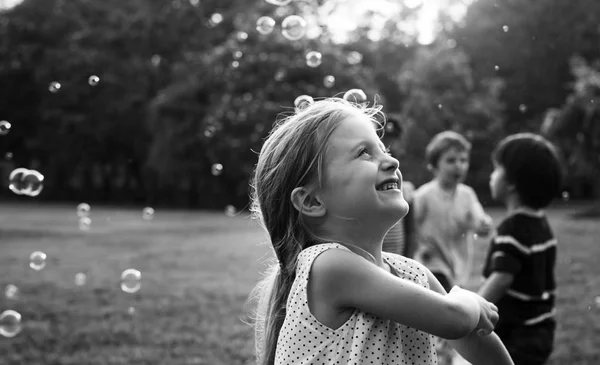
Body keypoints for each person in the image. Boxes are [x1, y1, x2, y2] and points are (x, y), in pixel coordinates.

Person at [246, 98, 513, 365]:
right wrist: (467, 299)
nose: (392, 161)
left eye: (384, 149)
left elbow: (471, 337)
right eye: (364, 153)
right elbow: (456, 320)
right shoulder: (327, 266)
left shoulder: (412, 273)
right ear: (312, 202)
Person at [478, 133, 563, 365]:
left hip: (517, 334)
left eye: (496, 169)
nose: (492, 176)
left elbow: (502, 278)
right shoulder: (541, 223)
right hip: (541, 329)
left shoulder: (512, 228)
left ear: (512, 183)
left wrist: (474, 309)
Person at [411, 131, 494, 365]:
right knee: (447, 311)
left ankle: (442, 351)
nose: (458, 166)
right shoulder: (424, 195)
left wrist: (483, 224)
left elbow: (477, 216)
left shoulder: (467, 195)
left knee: (447, 314)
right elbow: (410, 226)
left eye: (462, 160)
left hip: (458, 266)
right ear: (434, 165)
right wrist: (419, 246)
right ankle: (442, 353)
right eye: (450, 160)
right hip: (432, 265)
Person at [381, 115, 417, 258]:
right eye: (384, 139)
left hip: (398, 259)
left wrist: (408, 261)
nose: (389, 145)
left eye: (393, 140)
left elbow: (411, 232)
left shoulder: (406, 189)